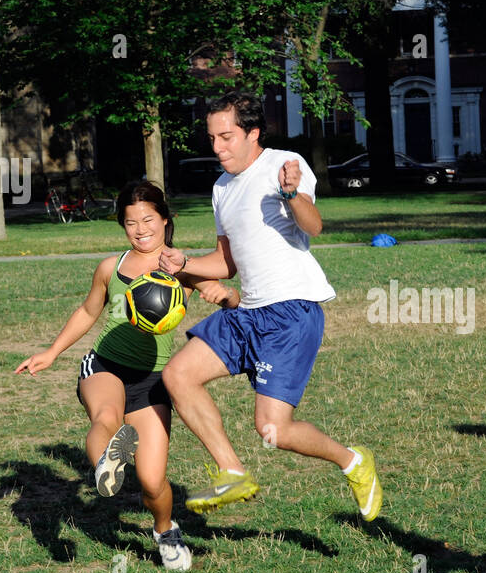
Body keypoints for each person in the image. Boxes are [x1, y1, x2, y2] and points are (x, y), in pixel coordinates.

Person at [156, 90, 382, 522]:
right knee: (178, 375)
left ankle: (353, 462)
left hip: (291, 312)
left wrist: (293, 193)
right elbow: (226, 262)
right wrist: (183, 263)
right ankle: (232, 471)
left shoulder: (282, 165)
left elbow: (313, 226)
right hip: (248, 313)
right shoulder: (222, 188)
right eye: (213, 138)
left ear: (252, 133)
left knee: (273, 430)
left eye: (226, 137)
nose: (218, 147)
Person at [14, 180, 237, 572]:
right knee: (106, 418)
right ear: (122, 225)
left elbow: (229, 294)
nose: (140, 229)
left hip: (152, 380)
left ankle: (165, 530)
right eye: (130, 222)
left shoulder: (181, 268)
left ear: (166, 221)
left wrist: (226, 298)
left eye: (148, 219)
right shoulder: (110, 268)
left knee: (153, 482)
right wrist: (51, 352)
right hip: (105, 364)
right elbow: (88, 312)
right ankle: (106, 462)